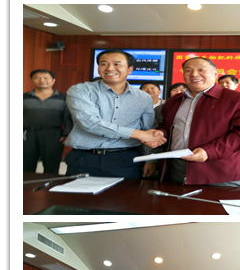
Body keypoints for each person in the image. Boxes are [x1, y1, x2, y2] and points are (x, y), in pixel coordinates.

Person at [152, 57, 240, 186]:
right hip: (177, 170)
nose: (194, 74)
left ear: (215, 74)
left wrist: (209, 151)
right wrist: (161, 133)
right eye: (188, 70)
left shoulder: (236, 99)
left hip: (220, 173)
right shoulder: (174, 101)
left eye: (201, 70)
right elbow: (167, 126)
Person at [64, 49, 166, 179]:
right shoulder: (80, 91)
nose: (110, 68)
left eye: (117, 64)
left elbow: (148, 128)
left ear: (129, 69)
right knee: (78, 193)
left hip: (125, 159)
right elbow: (90, 123)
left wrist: (149, 159)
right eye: (104, 64)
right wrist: (140, 134)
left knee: (125, 193)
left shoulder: (143, 97)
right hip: (84, 158)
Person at [23, 69, 73, 174]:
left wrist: (66, 134)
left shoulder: (64, 98)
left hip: (53, 134)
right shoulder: (23, 98)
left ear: (53, 80)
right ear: (31, 80)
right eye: (37, 78)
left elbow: (68, 118)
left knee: (52, 166)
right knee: (25, 166)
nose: (42, 80)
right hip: (27, 134)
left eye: (46, 78)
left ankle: (50, 184)